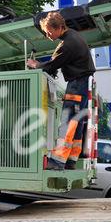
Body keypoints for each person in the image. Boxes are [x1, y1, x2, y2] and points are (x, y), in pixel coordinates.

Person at [27, 11, 95, 170]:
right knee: (76, 123)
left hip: (77, 84)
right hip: (82, 84)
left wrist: (35, 64)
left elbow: (52, 65)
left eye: (48, 31)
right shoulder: (72, 35)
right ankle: (71, 160)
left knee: (68, 122)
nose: (47, 35)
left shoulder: (68, 44)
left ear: (57, 28)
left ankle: (57, 161)